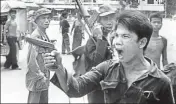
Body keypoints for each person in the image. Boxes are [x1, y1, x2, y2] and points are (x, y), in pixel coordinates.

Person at [44, 10, 175, 104]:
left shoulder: (161, 82)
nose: (117, 42)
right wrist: (59, 68)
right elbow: (76, 89)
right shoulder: (107, 68)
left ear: (142, 42)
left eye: (125, 36)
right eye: (116, 35)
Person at [25, 8, 52, 103]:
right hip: (38, 78)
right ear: (36, 20)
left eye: (48, 18)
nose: (47, 20)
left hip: (44, 75)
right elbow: (31, 61)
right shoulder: (35, 36)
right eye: (43, 18)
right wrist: (40, 76)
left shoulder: (44, 35)